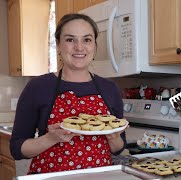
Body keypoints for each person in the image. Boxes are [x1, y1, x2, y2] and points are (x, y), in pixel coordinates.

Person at [10, 13, 126, 174]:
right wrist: (50, 138)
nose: (79, 47)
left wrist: (114, 138)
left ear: (94, 45)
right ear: (58, 45)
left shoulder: (110, 88)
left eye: (87, 39)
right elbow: (17, 149)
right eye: (70, 39)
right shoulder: (38, 87)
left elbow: (118, 148)